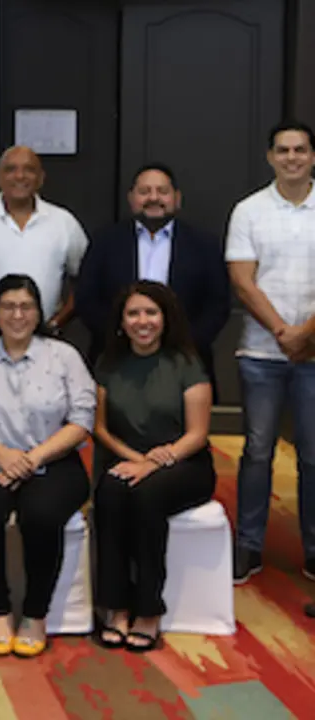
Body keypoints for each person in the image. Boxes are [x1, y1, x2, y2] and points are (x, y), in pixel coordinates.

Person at [0, 274, 95, 658]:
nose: (17, 315)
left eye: (26, 306)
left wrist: (33, 459)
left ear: (39, 312)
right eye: (8, 306)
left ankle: (35, 614)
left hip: (55, 460)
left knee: (41, 514)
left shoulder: (64, 357)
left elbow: (82, 421)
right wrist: (2, 454)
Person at [92, 281, 215, 652]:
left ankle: (148, 610)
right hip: (129, 458)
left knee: (147, 497)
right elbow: (98, 428)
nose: (142, 321)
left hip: (183, 462)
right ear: (121, 320)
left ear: (165, 318)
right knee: (110, 493)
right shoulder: (108, 363)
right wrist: (138, 460)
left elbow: (198, 434)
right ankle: (114, 606)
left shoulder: (187, 362)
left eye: (151, 312)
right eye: (133, 313)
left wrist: (154, 464)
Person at [224, 120, 315, 583]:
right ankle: (249, 546)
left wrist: (306, 334)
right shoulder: (249, 211)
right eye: (283, 150)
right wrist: (283, 331)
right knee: (257, 451)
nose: (292, 158)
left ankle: (314, 549)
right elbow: (242, 279)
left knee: (314, 455)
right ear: (270, 156)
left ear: (313, 156)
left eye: (300, 149)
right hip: (261, 352)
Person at [75, 163, 230, 385]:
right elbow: (87, 299)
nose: (153, 198)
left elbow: (218, 303)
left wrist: (184, 343)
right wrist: (123, 337)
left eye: (163, 191)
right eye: (144, 191)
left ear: (177, 198)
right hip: (116, 359)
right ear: (131, 198)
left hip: (186, 360)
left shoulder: (204, 244)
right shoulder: (105, 242)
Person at [0, 146, 90, 341]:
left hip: (45, 335)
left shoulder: (64, 223)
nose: (20, 176)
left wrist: (56, 322)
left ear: (41, 178)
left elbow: (85, 280)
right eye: (10, 169)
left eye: (29, 169)